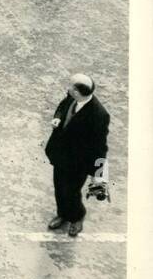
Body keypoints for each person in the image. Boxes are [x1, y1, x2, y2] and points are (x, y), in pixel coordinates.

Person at [42, 74, 109, 237]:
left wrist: (98, 175)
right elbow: (63, 105)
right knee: (59, 187)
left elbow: (100, 147)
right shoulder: (72, 97)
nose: (69, 89)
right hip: (60, 155)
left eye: (72, 87)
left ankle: (77, 217)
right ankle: (62, 214)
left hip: (78, 163)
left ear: (78, 93)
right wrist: (57, 118)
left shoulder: (99, 115)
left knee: (71, 192)